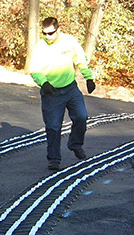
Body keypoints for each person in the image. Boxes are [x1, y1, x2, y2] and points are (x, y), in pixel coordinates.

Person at [29, 17, 96, 171]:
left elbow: (81, 59)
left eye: (51, 33)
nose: (48, 37)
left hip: (70, 89)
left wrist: (89, 78)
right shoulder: (40, 47)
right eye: (45, 34)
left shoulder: (69, 41)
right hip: (51, 92)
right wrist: (43, 83)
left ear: (58, 30)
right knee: (53, 126)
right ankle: (54, 159)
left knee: (81, 116)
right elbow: (34, 70)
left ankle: (75, 144)